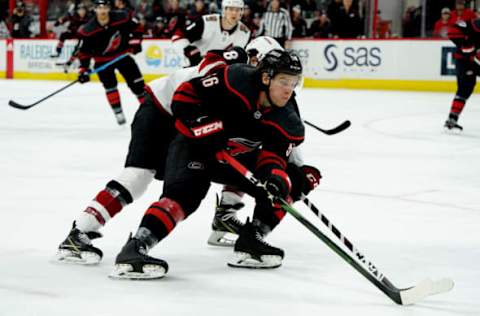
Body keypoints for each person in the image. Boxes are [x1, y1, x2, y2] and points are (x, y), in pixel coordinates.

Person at [110, 49, 321, 279]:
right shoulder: (235, 78)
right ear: (265, 77)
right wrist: (207, 127)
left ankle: (252, 239)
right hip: (195, 145)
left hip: (232, 158)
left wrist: (275, 177)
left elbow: (273, 156)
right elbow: (184, 96)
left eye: (293, 82)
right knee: (185, 195)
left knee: (288, 183)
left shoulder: (288, 117)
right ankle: (136, 247)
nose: (289, 89)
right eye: (283, 81)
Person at [55, 45, 251, 265]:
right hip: (160, 110)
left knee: (175, 184)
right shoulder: (234, 66)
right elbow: (206, 72)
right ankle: (80, 232)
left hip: (177, 118)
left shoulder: (248, 84)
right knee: (138, 176)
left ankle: (131, 238)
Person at [75, 0, 145, 125]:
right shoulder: (87, 30)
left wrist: (135, 43)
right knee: (110, 86)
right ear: (94, 9)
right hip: (102, 61)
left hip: (122, 56)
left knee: (138, 86)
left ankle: (150, 111)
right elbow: (84, 52)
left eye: (105, 7)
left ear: (109, 8)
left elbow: (137, 28)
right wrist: (83, 70)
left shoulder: (122, 17)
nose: (102, 10)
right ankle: (118, 112)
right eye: (99, 7)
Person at [172, 0, 251, 66]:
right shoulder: (207, 22)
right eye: (231, 9)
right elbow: (178, 37)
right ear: (224, 10)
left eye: (237, 10)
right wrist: (187, 55)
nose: (234, 13)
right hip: (194, 67)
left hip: (219, 72)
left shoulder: (245, 33)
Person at [443, 17, 480, 131]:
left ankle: (452, 119)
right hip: (465, 62)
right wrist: (466, 44)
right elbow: (452, 31)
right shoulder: (474, 24)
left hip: (475, 60)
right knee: (465, 88)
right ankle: (452, 119)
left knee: (466, 89)